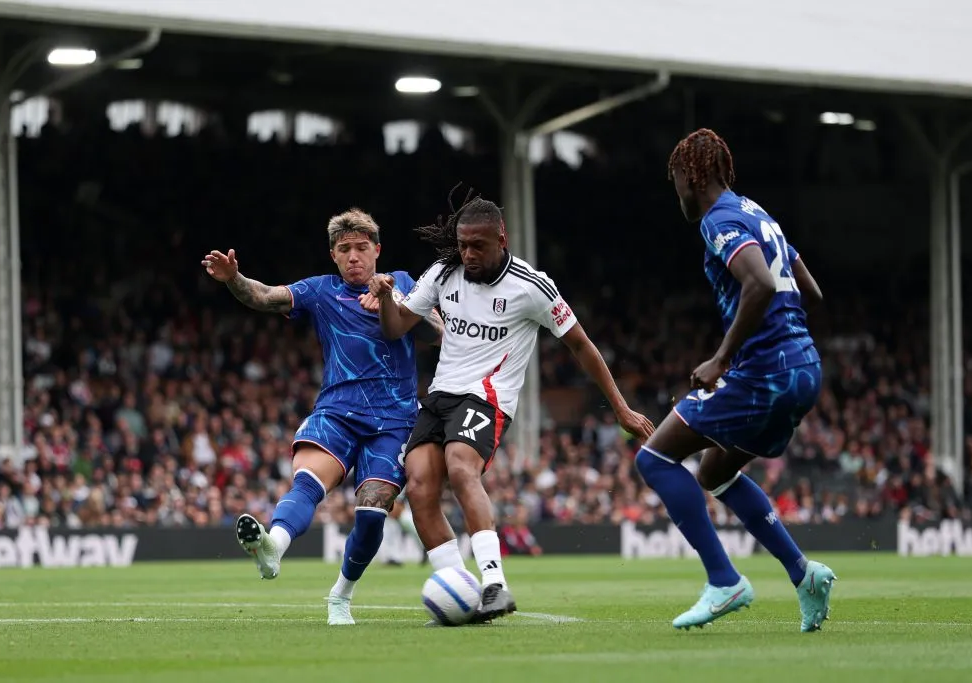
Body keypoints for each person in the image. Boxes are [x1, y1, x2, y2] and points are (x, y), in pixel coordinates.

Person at [370, 193, 655, 623]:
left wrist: (621, 409)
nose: (468, 254)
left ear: (501, 238)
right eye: (463, 244)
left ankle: (494, 585)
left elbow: (581, 344)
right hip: (440, 395)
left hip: (487, 396)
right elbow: (396, 329)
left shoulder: (531, 285)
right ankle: (459, 593)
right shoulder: (444, 273)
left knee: (461, 465)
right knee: (420, 486)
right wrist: (387, 299)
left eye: (477, 245)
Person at [635, 128, 835, 632]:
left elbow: (761, 283)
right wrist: (783, 342)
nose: (676, 192)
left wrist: (724, 358)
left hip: (765, 373)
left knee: (654, 457)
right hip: (803, 367)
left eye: (676, 181)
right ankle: (803, 574)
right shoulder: (759, 214)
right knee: (713, 474)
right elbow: (808, 291)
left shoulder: (717, 219)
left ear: (693, 176)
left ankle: (724, 580)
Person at [201, 209, 442, 625]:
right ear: (333, 255)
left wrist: (392, 299)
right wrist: (234, 280)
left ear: (377, 250)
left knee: (370, 514)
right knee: (308, 480)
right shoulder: (320, 290)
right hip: (338, 410)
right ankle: (272, 546)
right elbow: (263, 296)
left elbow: (435, 331)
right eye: (344, 249)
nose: (353, 257)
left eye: (361, 248)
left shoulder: (402, 282)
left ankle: (340, 596)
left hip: (395, 419)